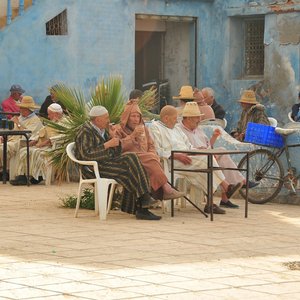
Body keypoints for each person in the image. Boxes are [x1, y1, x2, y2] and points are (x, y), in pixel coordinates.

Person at [149, 105, 242, 214]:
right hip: (172, 161)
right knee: (207, 161)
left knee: (208, 163)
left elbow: (188, 146)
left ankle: (211, 202)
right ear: (165, 118)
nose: (177, 121)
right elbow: (156, 150)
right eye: (175, 118)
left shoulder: (177, 129)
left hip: (187, 157)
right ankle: (226, 187)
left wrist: (197, 149)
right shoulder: (156, 128)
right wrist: (177, 155)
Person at [74, 105, 161, 221]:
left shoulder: (103, 131)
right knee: (129, 171)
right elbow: (86, 155)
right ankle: (142, 205)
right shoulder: (85, 131)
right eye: (106, 118)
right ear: (97, 119)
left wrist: (116, 141)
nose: (108, 120)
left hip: (105, 163)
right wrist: (107, 145)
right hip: (92, 169)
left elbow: (114, 151)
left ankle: (143, 203)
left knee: (132, 158)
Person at [178, 102, 257, 208]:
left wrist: (213, 139)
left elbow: (207, 146)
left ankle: (229, 193)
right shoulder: (179, 130)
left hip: (206, 156)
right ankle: (238, 183)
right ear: (188, 118)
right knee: (214, 160)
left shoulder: (198, 130)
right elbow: (184, 149)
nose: (199, 120)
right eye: (196, 118)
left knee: (222, 152)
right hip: (192, 159)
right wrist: (206, 152)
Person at [113, 100, 184, 200]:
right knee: (150, 158)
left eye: (138, 116)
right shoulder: (118, 130)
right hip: (128, 161)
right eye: (133, 116)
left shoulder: (144, 129)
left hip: (146, 160)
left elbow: (151, 145)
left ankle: (157, 194)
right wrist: (132, 136)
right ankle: (166, 189)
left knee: (152, 157)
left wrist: (152, 154)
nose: (136, 119)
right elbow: (117, 148)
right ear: (127, 117)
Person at [10, 103, 64, 185]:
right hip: (44, 146)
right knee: (24, 150)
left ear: (56, 114)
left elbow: (59, 137)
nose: (48, 117)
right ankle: (24, 176)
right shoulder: (52, 122)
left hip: (53, 147)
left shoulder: (64, 123)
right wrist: (34, 141)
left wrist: (43, 144)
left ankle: (36, 176)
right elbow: (41, 132)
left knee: (33, 152)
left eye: (49, 114)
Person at [0, 96, 43, 173]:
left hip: (21, 143)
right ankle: (4, 169)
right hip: (12, 140)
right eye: (20, 108)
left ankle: (4, 171)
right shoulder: (20, 117)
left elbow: (27, 134)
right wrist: (4, 137)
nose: (20, 110)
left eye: (22, 108)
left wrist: (18, 123)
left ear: (28, 109)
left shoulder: (35, 120)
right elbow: (13, 131)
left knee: (2, 149)